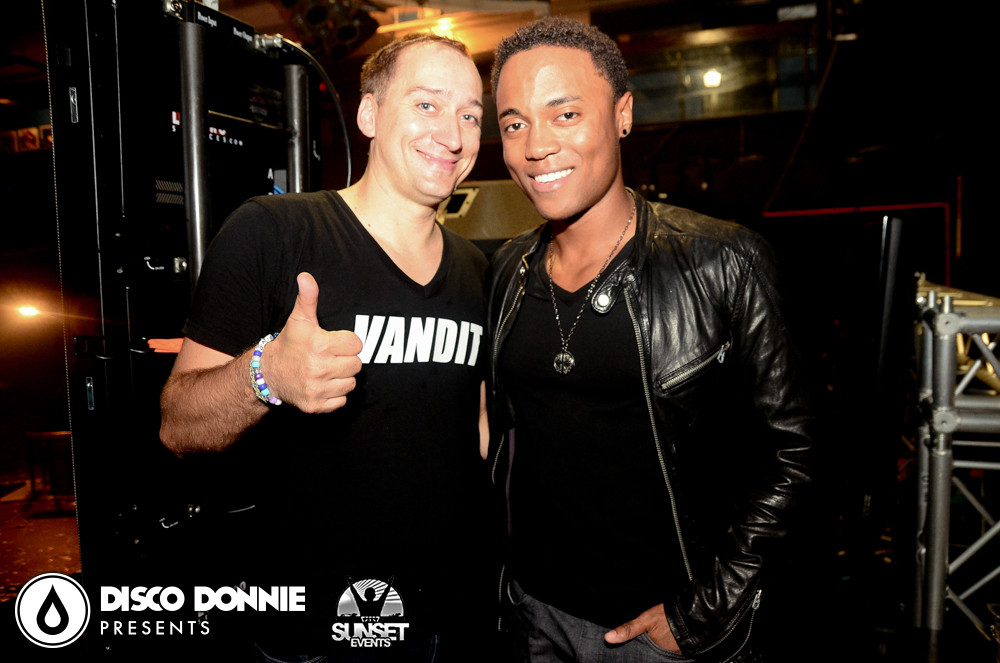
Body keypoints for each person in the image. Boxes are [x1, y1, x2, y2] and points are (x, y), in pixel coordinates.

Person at [159, 32, 497, 662]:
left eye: (470, 115)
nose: (452, 135)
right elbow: (178, 424)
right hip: (317, 633)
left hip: (455, 618)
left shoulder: (479, 270)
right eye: (426, 104)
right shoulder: (274, 231)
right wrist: (266, 374)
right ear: (368, 114)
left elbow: (475, 429)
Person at [486, 17, 815, 662]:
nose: (537, 146)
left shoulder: (722, 261)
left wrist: (703, 611)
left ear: (623, 115)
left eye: (566, 114)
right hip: (532, 615)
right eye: (515, 124)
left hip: (661, 634)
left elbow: (797, 456)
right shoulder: (506, 270)